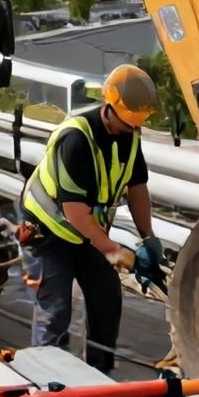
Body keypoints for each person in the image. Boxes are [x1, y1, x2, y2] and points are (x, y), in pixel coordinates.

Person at [19, 64, 164, 373]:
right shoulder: (75, 139)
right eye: (128, 124)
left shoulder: (130, 135)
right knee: (55, 307)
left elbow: (137, 188)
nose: (132, 130)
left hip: (87, 232)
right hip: (49, 230)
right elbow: (74, 212)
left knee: (107, 300)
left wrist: (148, 237)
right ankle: (45, 379)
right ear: (108, 107)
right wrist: (112, 249)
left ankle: (98, 374)